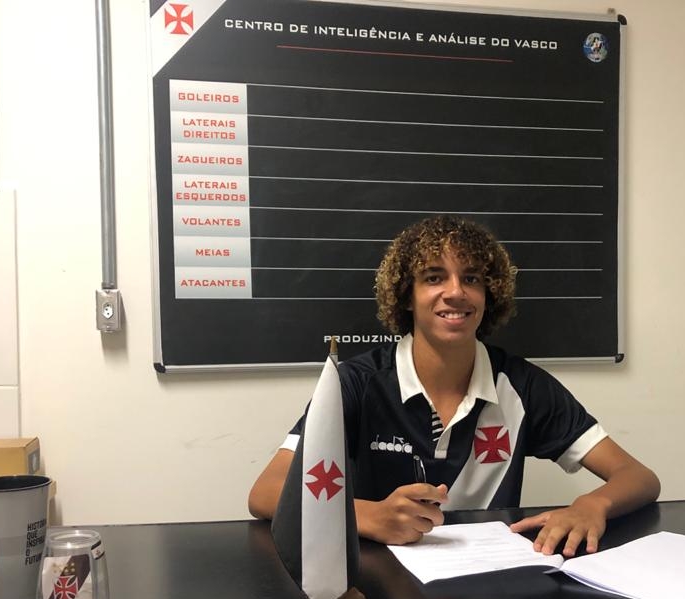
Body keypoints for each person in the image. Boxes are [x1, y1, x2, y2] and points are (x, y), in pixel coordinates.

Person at [249, 215, 659, 557]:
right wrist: (367, 516)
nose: (456, 292)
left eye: (472, 278)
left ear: (489, 294)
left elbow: (638, 476)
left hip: (491, 583)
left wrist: (592, 504)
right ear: (406, 295)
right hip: (380, 584)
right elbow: (266, 492)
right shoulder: (355, 384)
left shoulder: (523, 385)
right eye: (434, 277)